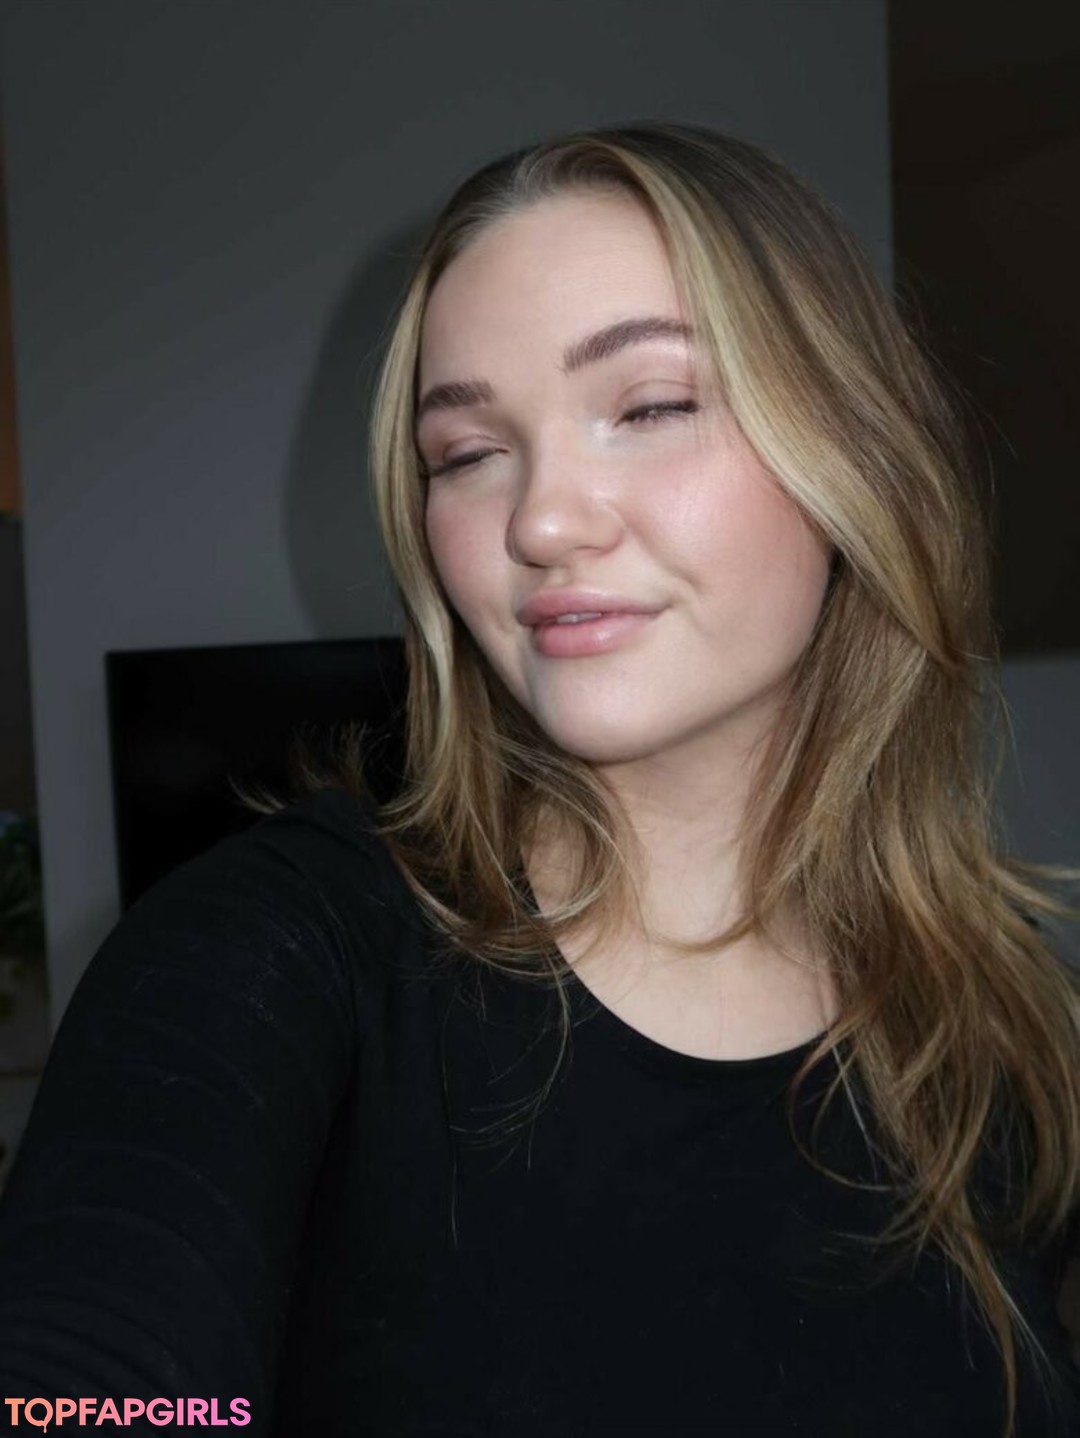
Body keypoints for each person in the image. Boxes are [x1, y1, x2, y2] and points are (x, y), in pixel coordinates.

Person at [1, 121, 1078, 1438]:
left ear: (855, 448)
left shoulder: (1002, 1031)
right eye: (467, 452)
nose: (541, 521)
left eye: (652, 406)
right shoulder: (275, 954)